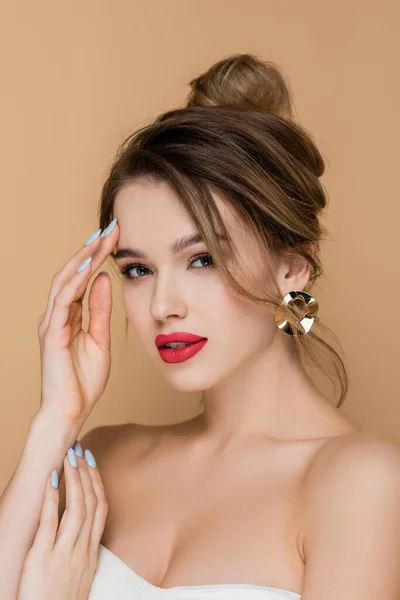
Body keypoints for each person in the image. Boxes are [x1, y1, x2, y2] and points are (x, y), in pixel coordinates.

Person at [2, 54, 400, 600]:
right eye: (138, 270)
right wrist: (56, 418)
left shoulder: (360, 484)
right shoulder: (103, 458)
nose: (163, 305)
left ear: (293, 269)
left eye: (203, 259)